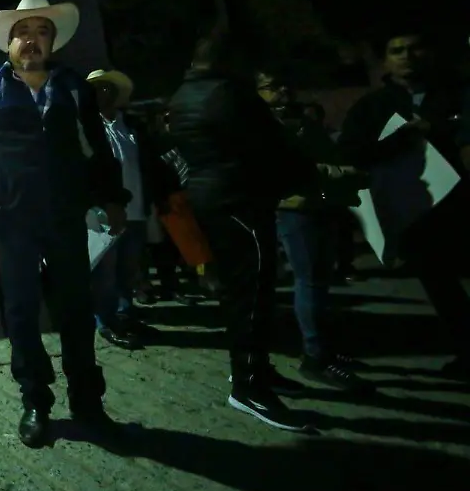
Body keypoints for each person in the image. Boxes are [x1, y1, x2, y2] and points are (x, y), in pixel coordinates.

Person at [0, 0, 129, 448]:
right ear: (9, 42)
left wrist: (112, 197)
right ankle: (35, 400)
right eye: (23, 33)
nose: (32, 40)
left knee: (75, 309)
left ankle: (87, 401)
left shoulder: (72, 87)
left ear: (51, 42)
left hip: (66, 216)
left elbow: (96, 149)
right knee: (22, 312)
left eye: (42, 32)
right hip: (10, 219)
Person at [167, 32, 319, 431]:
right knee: (252, 295)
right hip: (240, 199)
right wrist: (305, 177)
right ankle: (250, 385)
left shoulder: (183, 95)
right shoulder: (229, 94)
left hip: (214, 198)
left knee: (243, 292)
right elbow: (270, 146)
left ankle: (256, 372)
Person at [338, 29, 470, 381]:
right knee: (442, 287)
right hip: (416, 214)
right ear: (386, 60)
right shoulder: (374, 105)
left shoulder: (456, 96)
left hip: (461, 207)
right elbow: (351, 151)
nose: (407, 57)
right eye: (398, 50)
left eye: (415, 48)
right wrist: (394, 142)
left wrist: (438, 130)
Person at [254, 67, 374, 393]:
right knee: (309, 281)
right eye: (272, 85)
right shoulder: (264, 126)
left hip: (319, 205)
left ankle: (323, 350)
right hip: (296, 210)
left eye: (285, 84)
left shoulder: (298, 119)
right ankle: (315, 356)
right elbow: (287, 168)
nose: (282, 91)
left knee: (320, 282)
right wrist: (340, 172)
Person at [85, 69, 179, 350]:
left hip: (136, 209)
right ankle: (105, 321)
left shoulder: (132, 126)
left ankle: (126, 315)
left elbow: (148, 163)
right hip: (104, 212)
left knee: (129, 268)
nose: (104, 94)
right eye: (98, 89)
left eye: (108, 89)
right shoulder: (87, 127)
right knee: (105, 271)